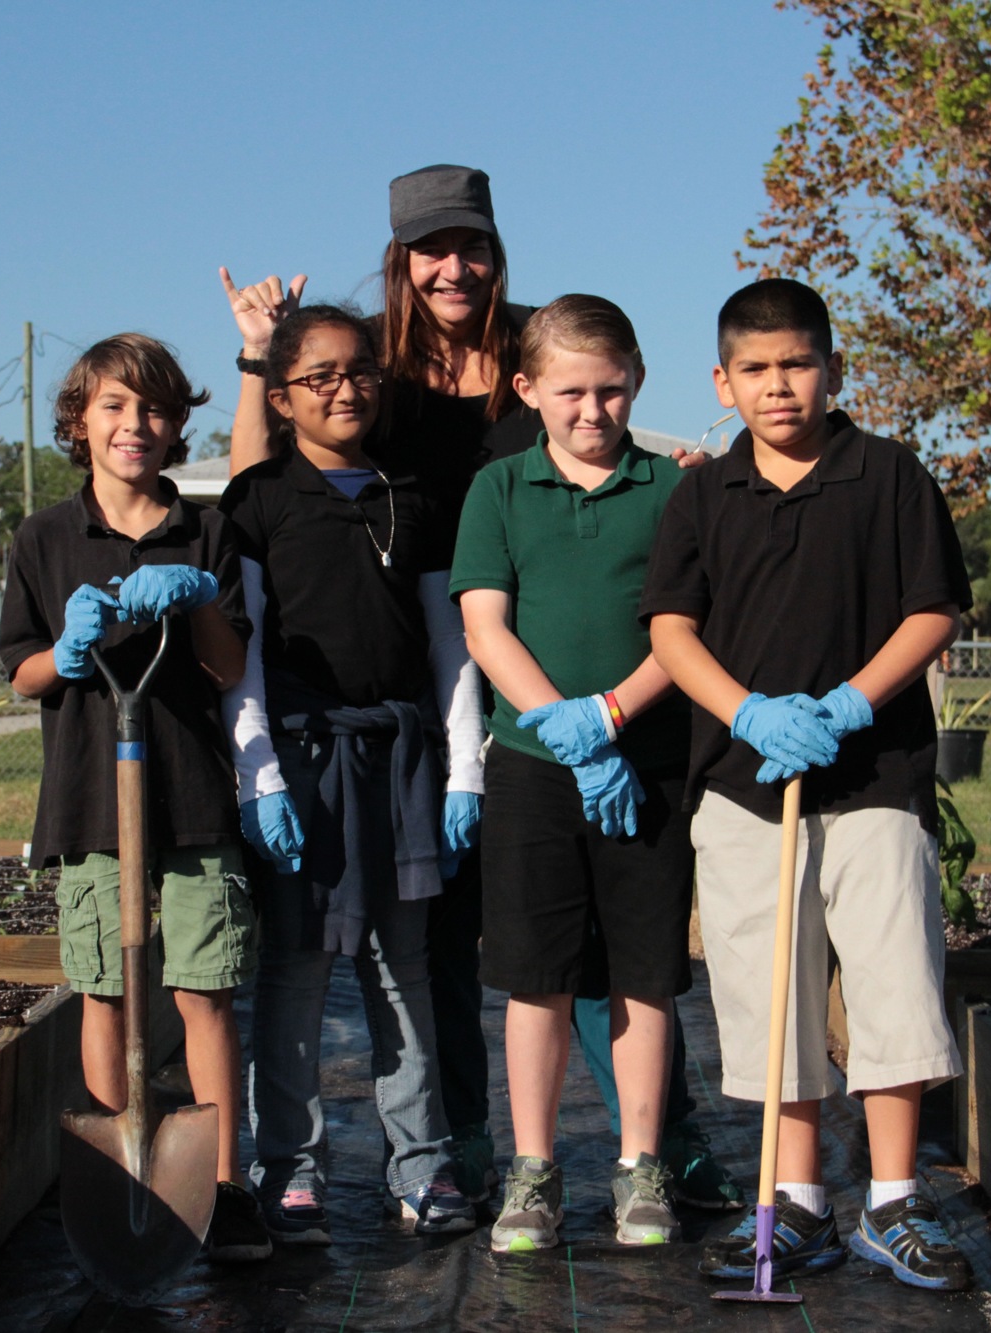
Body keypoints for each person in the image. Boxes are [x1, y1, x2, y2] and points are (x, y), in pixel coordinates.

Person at [218, 164, 741, 1215]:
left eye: (473, 247)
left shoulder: (534, 356)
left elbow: (600, 451)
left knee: (612, 945)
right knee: (449, 949)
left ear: (497, 257)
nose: (454, 267)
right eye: (431, 249)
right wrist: (252, 360)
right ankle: (462, 1143)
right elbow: (258, 491)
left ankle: (661, 1144)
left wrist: (677, 472)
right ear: (400, 262)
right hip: (442, 701)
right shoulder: (368, 368)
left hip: (572, 700)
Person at [641, 279, 977, 1292]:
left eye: (795, 364)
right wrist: (745, 710)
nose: (777, 385)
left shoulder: (887, 476)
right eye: (754, 369)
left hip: (873, 774)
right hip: (745, 787)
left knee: (890, 980)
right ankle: (793, 1205)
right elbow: (668, 628)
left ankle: (890, 1198)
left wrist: (843, 706)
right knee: (768, 995)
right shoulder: (701, 494)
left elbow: (931, 612)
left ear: (832, 369)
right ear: (722, 381)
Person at [0, 333, 271, 1263]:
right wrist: (63, 653)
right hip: (88, 797)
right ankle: (125, 1169)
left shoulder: (208, 532)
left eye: (153, 408)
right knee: (104, 992)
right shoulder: (42, 537)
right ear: (79, 421)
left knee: (205, 992)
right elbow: (20, 673)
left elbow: (230, 665)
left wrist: (193, 594)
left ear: (177, 422)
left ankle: (226, 1184)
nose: (135, 426)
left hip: (192, 793)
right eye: (114, 406)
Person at [219, 303, 484, 1243]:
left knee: (402, 968)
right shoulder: (254, 504)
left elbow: (452, 642)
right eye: (321, 375)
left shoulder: (413, 496)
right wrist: (259, 772)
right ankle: (288, 1167)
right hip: (302, 761)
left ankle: (423, 1168)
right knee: (294, 973)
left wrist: (465, 771)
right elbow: (238, 653)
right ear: (282, 394)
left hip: (402, 762)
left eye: (362, 371)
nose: (346, 389)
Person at [452, 295, 696, 1251]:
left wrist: (613, 715)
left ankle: (640, 1166)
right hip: (533, 768)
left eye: (612, 390)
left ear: (637, 379)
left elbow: (684, 628)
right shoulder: (501, 489)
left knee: (642, 970)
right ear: (527, 391)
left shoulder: (674, 491)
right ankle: (535, 1170)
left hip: (647, 763)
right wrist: (565, 727)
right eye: (571, 393)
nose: (594, 412)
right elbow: (485, 623)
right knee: (536, 975)